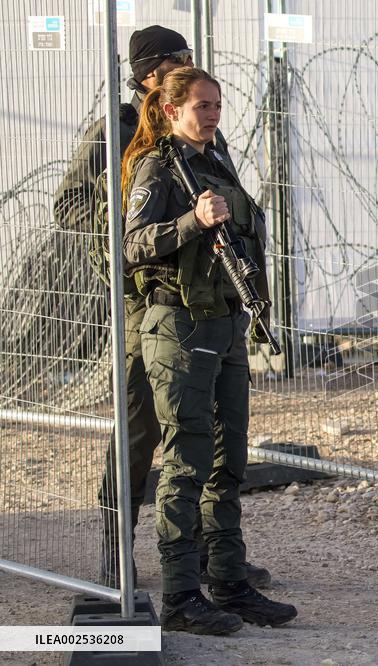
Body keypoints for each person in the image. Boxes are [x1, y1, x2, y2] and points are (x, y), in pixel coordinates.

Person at [52, 25, 269, 590]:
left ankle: (210, 556)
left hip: (203, 300)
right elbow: (69, 205)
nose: (188, 66)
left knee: (205, 430)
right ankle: (115, 552)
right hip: (143, 299)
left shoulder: (198, 130)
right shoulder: (118, 130)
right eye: (179, 60)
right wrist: (124, 224)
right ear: (152, 74)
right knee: (140, 429)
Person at [120, 66, 296, 634]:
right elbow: (132, 244)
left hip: (224, 324)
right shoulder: (157, 166)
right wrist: (190, 222)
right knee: (186, 459)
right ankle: (180, 595)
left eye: (217, 104)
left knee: (229, 459)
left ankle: (228, 580)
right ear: (172, 110)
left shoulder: (215, 161)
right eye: (202, 106)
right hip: (179, 326)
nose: (213, 114)